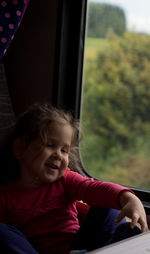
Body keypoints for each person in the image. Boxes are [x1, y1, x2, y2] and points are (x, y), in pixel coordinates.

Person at [0, 103, 148, 254]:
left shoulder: (65, 180)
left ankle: (116, 246)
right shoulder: (5, 195)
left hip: (78, 248)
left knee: (108, 203)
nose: (58, 155)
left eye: (64, 150)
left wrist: (129, 199)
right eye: (50, 145)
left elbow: (94, 188)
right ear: (19, 148)